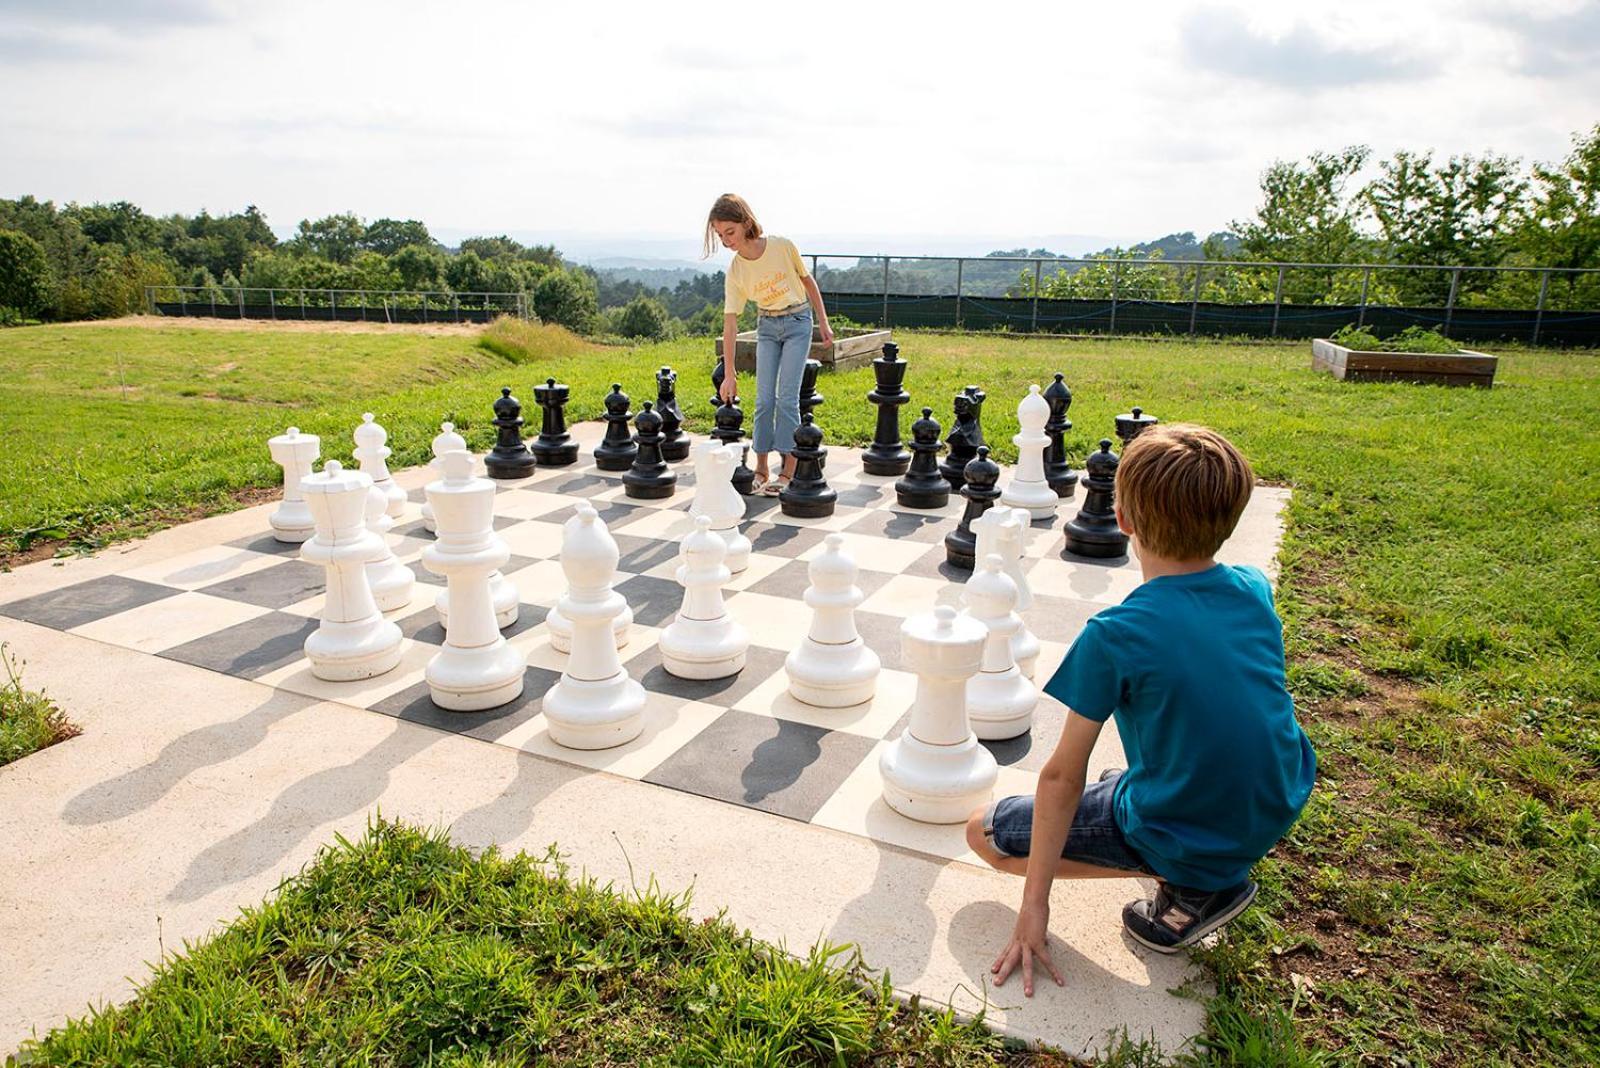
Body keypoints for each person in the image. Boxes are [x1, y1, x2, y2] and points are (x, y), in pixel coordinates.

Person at [970, 424, 1316, 996]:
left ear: (1123, 518)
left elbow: (1061, 775)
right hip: (1274, 799)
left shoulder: (1116, 634)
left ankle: (1191, 887)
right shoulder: (1255, 586)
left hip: (1186, 827)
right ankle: (1197, 857)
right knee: (1131, 770)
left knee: (984, 831)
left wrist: (1035, 907)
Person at [706, 194, 833, 495]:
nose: (726, 241)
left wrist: (823, 322)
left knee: (786, 398)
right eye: (720, 235)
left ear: (746, 222)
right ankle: (761, 468)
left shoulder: (781, 246)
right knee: (763, 400)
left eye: (730, 232)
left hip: (798, 323)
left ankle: (788, 469)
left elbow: (808, 282)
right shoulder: (736, 270)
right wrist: (729, 373)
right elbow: (731, 323)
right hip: (767, 326)